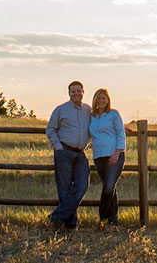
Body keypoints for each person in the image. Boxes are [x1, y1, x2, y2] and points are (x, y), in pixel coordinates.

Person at [44, 80, 91, 229]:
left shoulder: (88, 110)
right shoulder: (61, 110)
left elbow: (102, 122)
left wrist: (120, 127)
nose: (76, 93)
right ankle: (71, 224)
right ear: (69, 93)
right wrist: (58, 147)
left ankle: (56, 216)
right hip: (64, 151)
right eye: (73, 91)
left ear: (83, 92)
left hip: (81, 153)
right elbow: (51, 129)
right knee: (64, 188)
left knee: (82, 185)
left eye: (79, 91)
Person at [88, 87, 127, 226]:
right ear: (94, 100)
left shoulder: (113, 114)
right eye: (98, 98)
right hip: (99, 156)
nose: (101, 100)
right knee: (109, 186)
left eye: (103, 98)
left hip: (114, 155)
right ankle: (113, 219)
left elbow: (121, 134)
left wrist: (116, 153)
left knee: (109, 187)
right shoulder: (92, 116)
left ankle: (102, 215)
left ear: (108, 100)